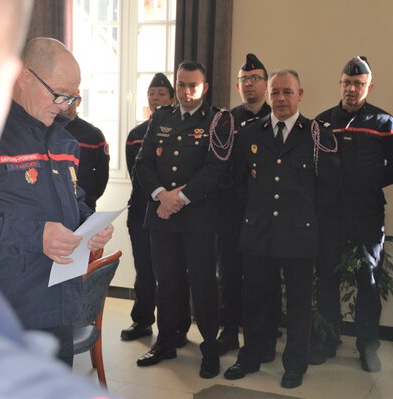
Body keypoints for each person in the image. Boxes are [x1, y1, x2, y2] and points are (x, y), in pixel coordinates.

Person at [0, 37, 114, 368]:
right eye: (59, 94)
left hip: (58, 305)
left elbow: (73, 200)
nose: (65, 105)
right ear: (24, 76)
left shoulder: (64, 141)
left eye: (72, 96)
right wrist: (36, 236)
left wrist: (90, 225)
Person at [224, 69, 339, 388]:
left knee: (300, 304)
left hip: (299, 233)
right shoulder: (249, 133)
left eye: (287, 92)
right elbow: (239, 182)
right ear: (268, 95)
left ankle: (295, 363)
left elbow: (328, 189)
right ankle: (253, 355)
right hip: (259, 231)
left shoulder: (316, 134)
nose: (281, 98)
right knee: (256, 300)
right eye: (275, 92)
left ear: (300, 94)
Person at [135, 61, 234, 378]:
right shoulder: (161, 118)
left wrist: (179, 198)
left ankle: (209, 347)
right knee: (167, 283)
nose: (186, 92)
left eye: (193, 85)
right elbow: (142, 164)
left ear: (205, 87)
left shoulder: (218, 120)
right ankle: (166, 341)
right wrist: (162, 195)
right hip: (161, 217)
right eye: (181, 85)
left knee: (204, 285)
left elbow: (215, 169)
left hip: (199, 219)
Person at [311, 56, 393, 372]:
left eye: (358, 83)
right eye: (347, 82)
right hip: (330, 217)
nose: (352, 88)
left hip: (365, 219)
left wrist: (370, 182)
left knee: (365, 276)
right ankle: (329, 340)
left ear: (369, 86)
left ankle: (367, 345)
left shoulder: (384, 124)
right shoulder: (322, 122)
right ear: (340, 84)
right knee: (328, 276)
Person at [217, 53, 280, 357]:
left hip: (264, 213)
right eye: (244, 79)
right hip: (230, 212)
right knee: (228, 275)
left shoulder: (276, 118)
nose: (249, 84)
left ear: (266, 84)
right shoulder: (226, 120)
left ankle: (262, 339)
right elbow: (218, 166)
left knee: (262, 280)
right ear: (237, 84)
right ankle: (228, 332)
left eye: (255, 78)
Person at [122, 73, 191, 346]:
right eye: (152, 93)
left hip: (175, 213)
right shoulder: (136, 135)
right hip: (141, 211)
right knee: (145, 270)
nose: (156, 98)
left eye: (162, 93)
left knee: (175, 273)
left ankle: (177, 327)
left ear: (172, 99)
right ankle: (142, 320)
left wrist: (169, 200)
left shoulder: (181, 129)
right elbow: (137, 174)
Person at [62, 93, 110, 211]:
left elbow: (102, 173)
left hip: (85, 204)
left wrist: (91, 195)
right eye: (63, 99)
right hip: (54, 205)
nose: (67, 104)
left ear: (79, 101)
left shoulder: (93, 134)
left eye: (71, 99)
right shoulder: (46, 131)